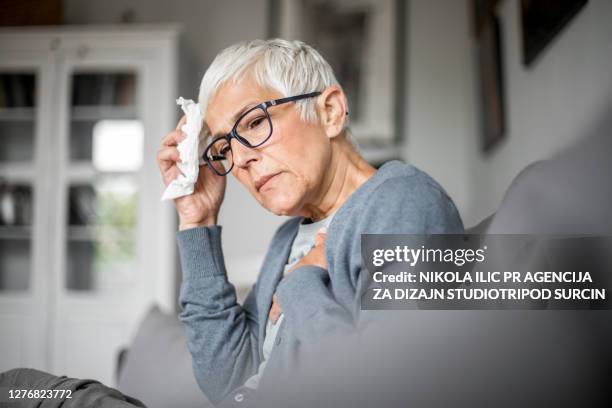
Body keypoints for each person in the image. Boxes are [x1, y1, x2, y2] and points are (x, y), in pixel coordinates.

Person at [156, 38, 463, 407]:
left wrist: (300, 285)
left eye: (254, 123)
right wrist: (198, 221)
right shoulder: (288, 238)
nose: (239, 160)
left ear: (330, 111)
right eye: (224, 147)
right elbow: (227, 380)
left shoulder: (404, 202)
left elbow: (390, 386)